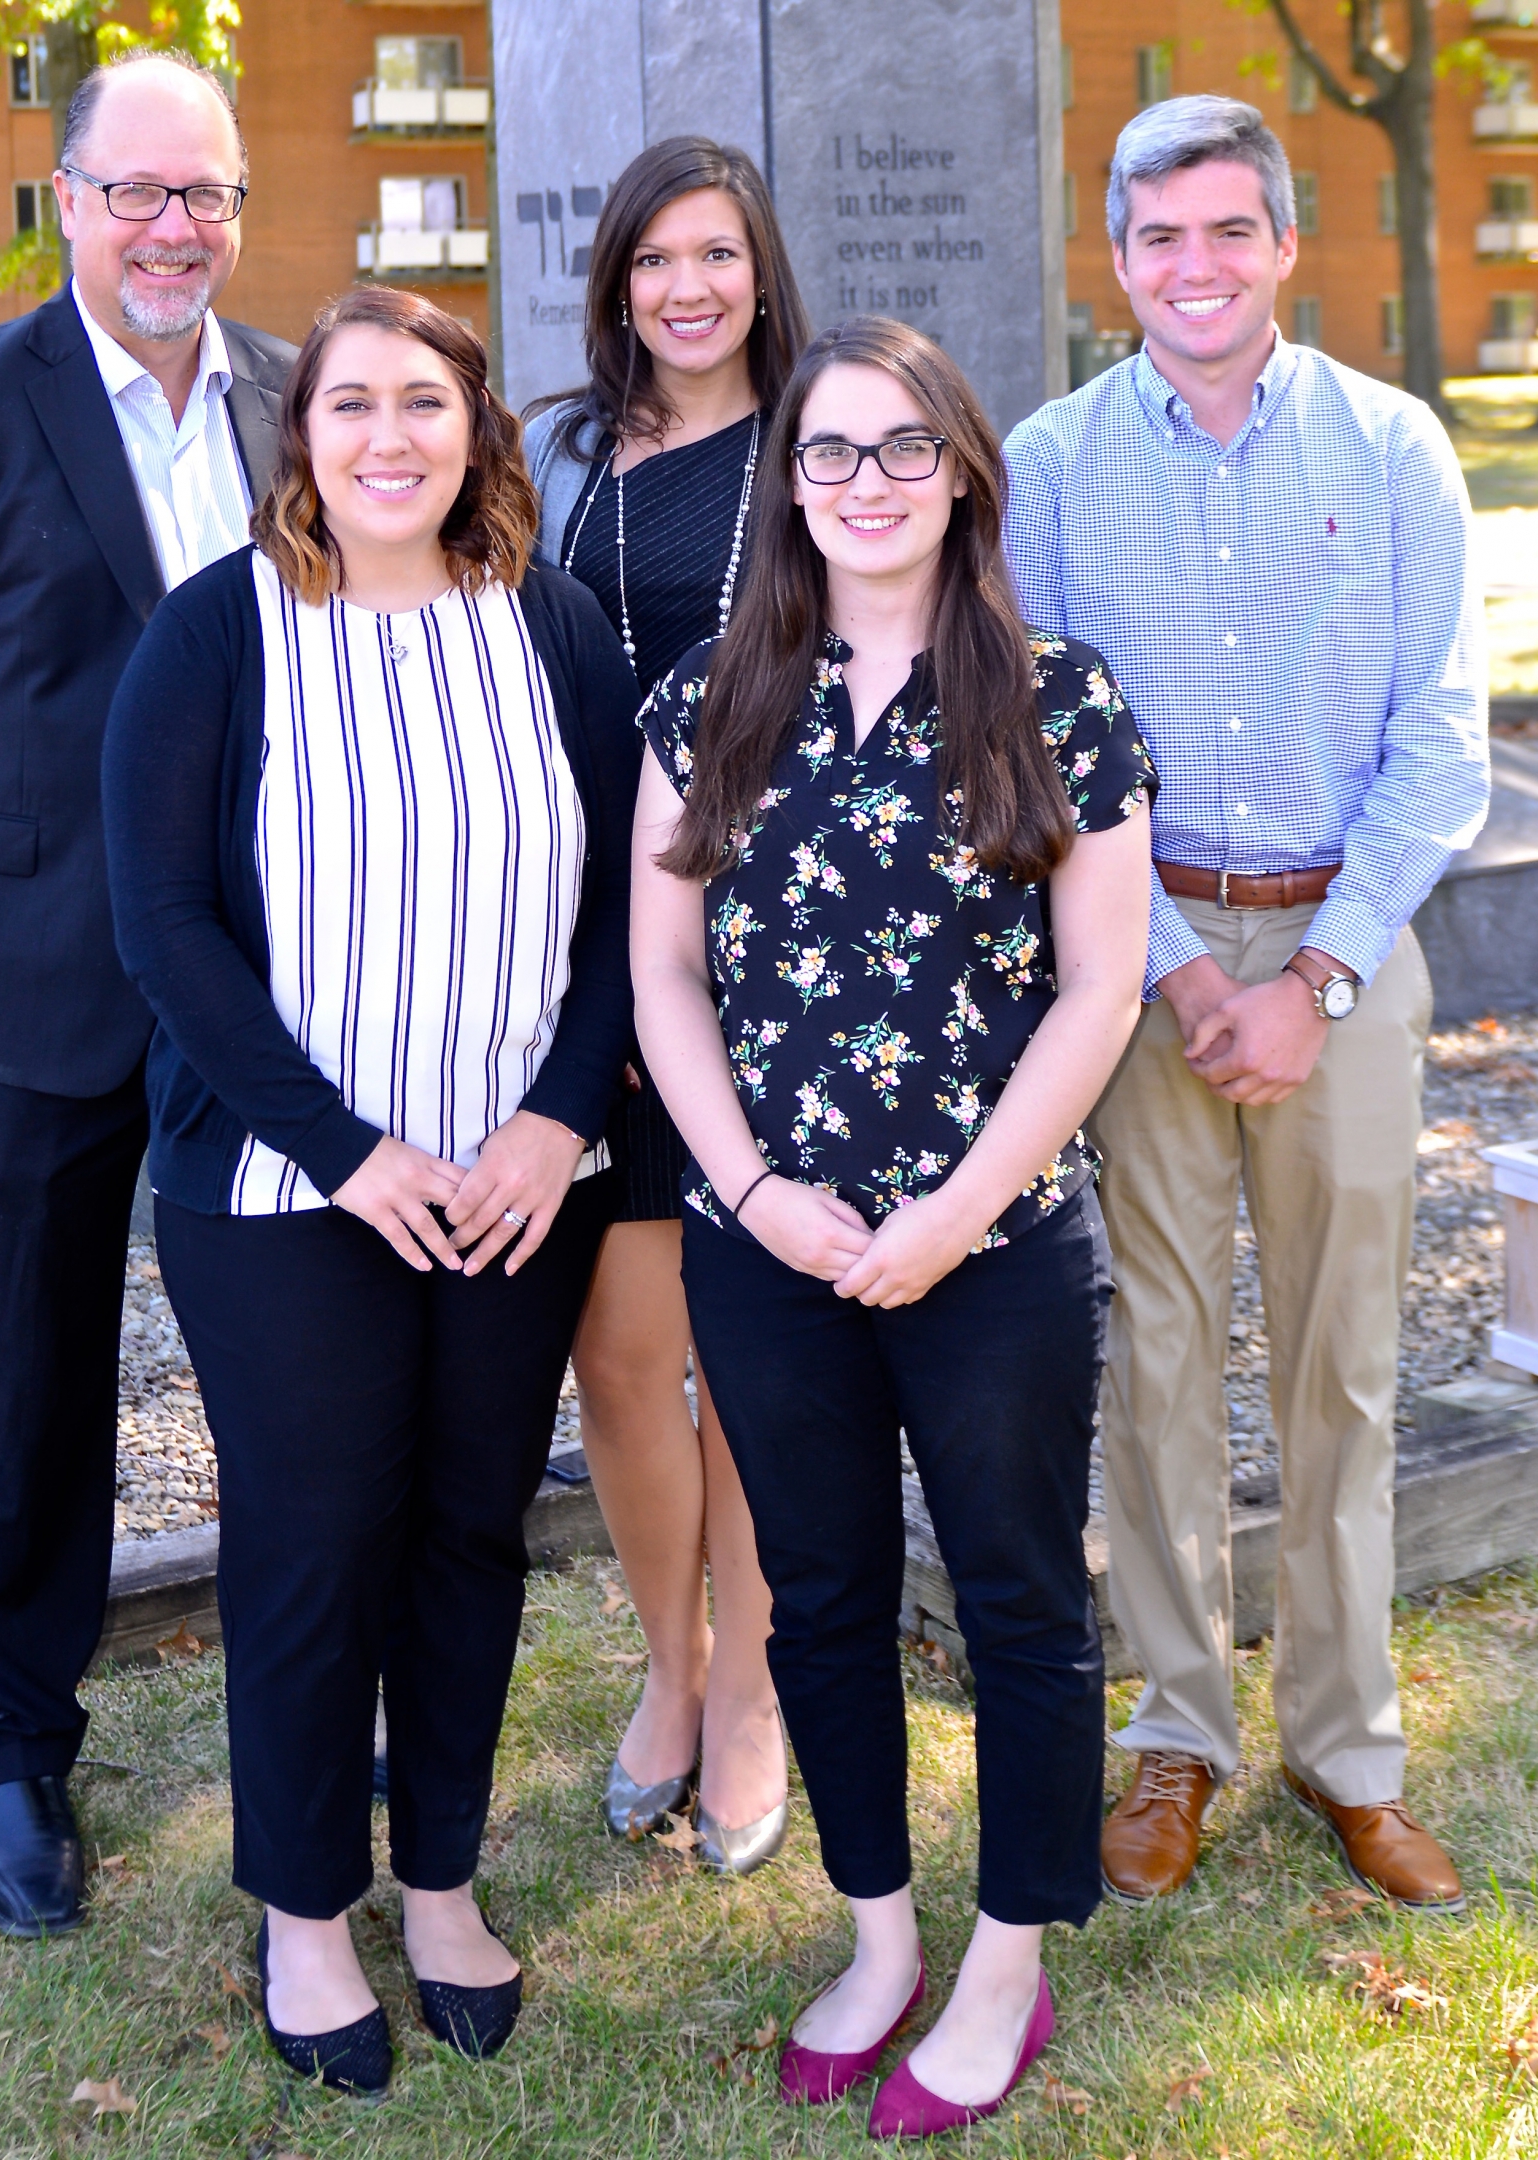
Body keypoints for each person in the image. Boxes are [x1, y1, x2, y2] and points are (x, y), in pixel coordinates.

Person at [103, 285, 638, 2095]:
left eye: (426, 401)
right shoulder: (214, 637)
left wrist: (559, 1126)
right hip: (282, 1191)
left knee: (471, 1533)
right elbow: (165, 928)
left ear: (476, 430)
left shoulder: (556, 632)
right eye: (351, 404)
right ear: (302, 436)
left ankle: (440, 1883)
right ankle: (307, 1913)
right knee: (318, 1543)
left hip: (509, 1187)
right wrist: (350, 1150)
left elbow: (623, 924)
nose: (388, 435)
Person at [632, 315, 1155, 2138]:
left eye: (903, 450)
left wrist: (952, 1210)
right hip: (763, 1245)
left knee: (1017, 1596)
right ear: (787, 483)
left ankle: (1005, 1964)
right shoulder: (707, 695)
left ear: (963, 474)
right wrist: (759, 1192)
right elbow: (664, 976)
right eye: (831, 452)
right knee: (825, 1598)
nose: (867, 484)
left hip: (992, 1248)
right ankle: (880, 1938)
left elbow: (1098, 996)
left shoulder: (1062, 697)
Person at [0, 50, 295, 1940]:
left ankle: (321, 1709)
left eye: (209, 194)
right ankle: (13, 1748)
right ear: (68, 202)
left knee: (295, 1349)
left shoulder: (288, 400)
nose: (177, 228)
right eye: (139, 192)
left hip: (274, 973)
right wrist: (19, 843)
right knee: (23, 1375)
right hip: (46, 977)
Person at [1003, 95, 1489, 1913]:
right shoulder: (1052, 459)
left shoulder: (1394, 444)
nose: (1193, 269)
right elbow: (1040, 730)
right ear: (1116, 259)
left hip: (1344, 949)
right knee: (1157, 1360)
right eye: (1157, 240)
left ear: (1283, 244)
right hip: (1134, 963)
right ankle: (1180, 1739)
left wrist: (1323, 976)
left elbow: (1441, 743)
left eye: (1228, 233)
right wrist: (1181, 971)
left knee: (1342, 1372)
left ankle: (1350, 1752)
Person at [523, 134, 809, 1870]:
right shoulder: (565, 453)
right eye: (651, 261)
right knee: (625, 1362)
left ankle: (763, 1690)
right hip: (588, 946)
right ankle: (672, 1669)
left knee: (758, 1359)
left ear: (760, 270)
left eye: (713, 254)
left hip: (768, 957)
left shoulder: (815, 440)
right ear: (617, 283)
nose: (684, 288)